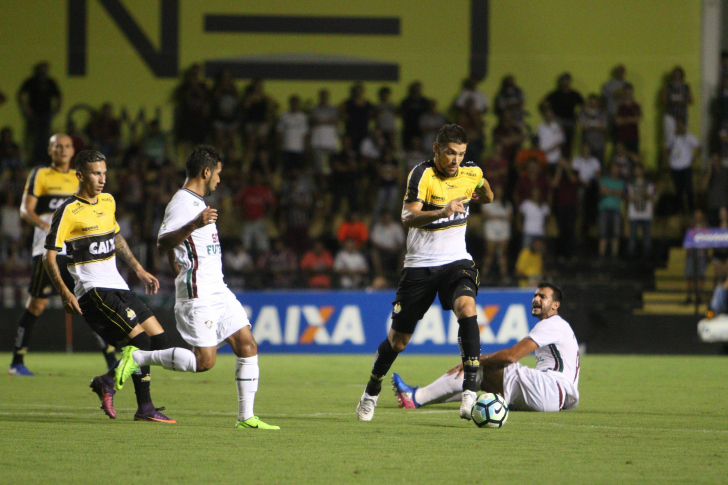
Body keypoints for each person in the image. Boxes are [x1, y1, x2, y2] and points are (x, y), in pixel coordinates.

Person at [44, 150, 196, 422]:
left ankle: (122, 391)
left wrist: (138, 269)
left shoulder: (108, 201)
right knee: (140, 340)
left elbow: (115, 238)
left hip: (119, 285)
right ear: (80, 175)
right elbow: (49, 256)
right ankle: (133, 399)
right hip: (93, 290)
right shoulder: (68, 211)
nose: (102, 179)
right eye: (95, 173)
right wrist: (64, 291)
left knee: (158, 340)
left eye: (104, 173)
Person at [356, 124, 494, 422]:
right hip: (420, 265)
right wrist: (443, 210)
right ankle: (372, 388)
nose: (455, 160)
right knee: (398, 342)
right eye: (449, 153)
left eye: (460, 154)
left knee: (467, 307)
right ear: (436, 149)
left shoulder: (471, 172)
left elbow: (488, 193)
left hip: (457, 260)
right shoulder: (422, 173)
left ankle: (470, 391)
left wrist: (473, 197)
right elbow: (408, 216)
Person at [156, 145, 279, 430]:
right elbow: (163, 241)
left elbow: (182, 247)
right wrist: (194, 225)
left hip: (218, 289)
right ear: (207, 172)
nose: (219, 180)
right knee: (205, 362)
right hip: (198, 290)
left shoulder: (198, 202)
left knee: (247, 345)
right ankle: (137, 357)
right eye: (219, 174)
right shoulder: (182, 203)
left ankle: (246, 417)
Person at [9, 134, 116, 376]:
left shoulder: (80, 177)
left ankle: (111, 358)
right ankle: (17, 361)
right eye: (58, 146)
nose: (63, 150)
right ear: (50, 150)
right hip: (47, 250)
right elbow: (26, 211)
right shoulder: (41, 174)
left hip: (76, 250)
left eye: (67, 146)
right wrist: (50, 228)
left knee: (89, 301)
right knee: (37, 304)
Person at [391, 282, 580, 413]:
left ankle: (416, 397)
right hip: (554, 396)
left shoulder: (552, 324)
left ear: (555, 305)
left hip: (550, 389)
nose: (536, 299)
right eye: (535, 295)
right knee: (480, 380)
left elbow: (511, 356)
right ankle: (418, 397)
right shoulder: (558, 325)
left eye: (543, 297)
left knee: (478, 367)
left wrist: (475, 359)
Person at [17, 61, 61, 164]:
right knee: (33, 138)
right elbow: (21, 94)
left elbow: (59, 97)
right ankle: (33, 159)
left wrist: (56, 111)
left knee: (45, 138)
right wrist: (26, 110)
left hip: (46, 114)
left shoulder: (50, 82)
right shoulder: (31, 82)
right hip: (34, 115)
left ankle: (45, 159)